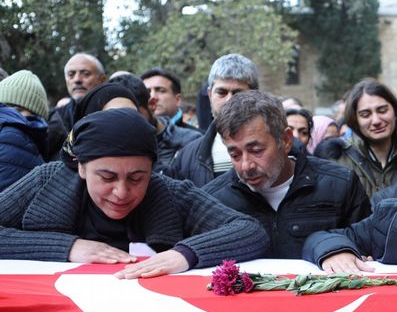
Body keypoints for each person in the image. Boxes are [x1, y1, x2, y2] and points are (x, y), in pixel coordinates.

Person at [0, 108, 269, 277]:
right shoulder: (46, 180)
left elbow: (249, 230)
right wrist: (67, 247)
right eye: (107, 177)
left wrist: (185, 254)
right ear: (80, 166)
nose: (121, 192)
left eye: (137, 178)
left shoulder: (169, 193)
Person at [203, 91, 370, 259]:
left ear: (285, 140)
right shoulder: (213, 201)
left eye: (256, 151)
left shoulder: (341, 184)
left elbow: (367, 249)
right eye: (235, 155)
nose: (246, 165)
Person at [169, 54, 259, 186]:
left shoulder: (278, 146)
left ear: (255, 95)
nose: (229, 101)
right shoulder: (187, 157)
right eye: (222, 93)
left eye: (238, 93)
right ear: (210, 94)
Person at [330, 78, 397, 197]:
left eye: (382, 110)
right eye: (365, 115)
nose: (376, 121)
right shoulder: (339, 159)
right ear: (355, 120)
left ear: (395, 112)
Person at [110, 74, 201, 171]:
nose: (124, 125)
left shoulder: (191, 143)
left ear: (152, 104)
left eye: (131, 116)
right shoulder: (107, 146)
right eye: (114, 119)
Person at [46, 53, 108, 161]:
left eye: (86, 74)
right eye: (71, 74)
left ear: (102, 80)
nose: (77, 79)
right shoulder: (55, 117)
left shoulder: (111, 115)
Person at [0, 70, 47, 190]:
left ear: (37, 116)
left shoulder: (11, 136)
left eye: (18, 110)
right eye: (4, 106)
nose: (8, 113)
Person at [141, 67, 198, 131]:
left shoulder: (197, 136)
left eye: (161, 91)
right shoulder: (134, 134)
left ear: (178, 100)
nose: (152, 96)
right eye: (147, 92)